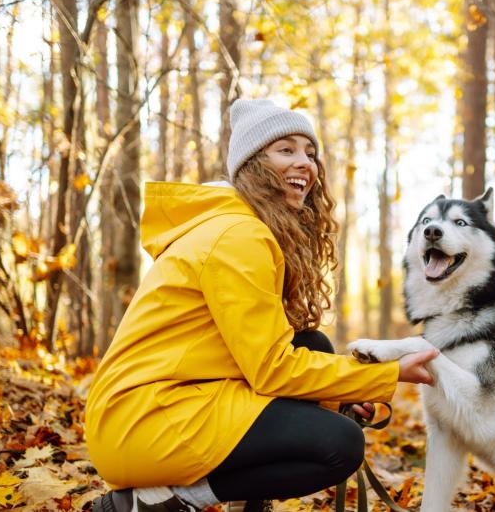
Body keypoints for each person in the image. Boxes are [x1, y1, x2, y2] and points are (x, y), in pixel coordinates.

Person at [87, 98, 439, 512]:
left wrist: (340, 395)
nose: (304, 164)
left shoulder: (241, 227)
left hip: (165, 403)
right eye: (285, 150)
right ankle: (160, 501)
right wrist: (387, 373)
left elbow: (263, 355)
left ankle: (248, 505)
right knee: (338, 446)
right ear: (253, 166)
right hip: (142, 420)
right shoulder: (240, 237)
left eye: (310, 153)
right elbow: (270, 369)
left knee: (311, 343)